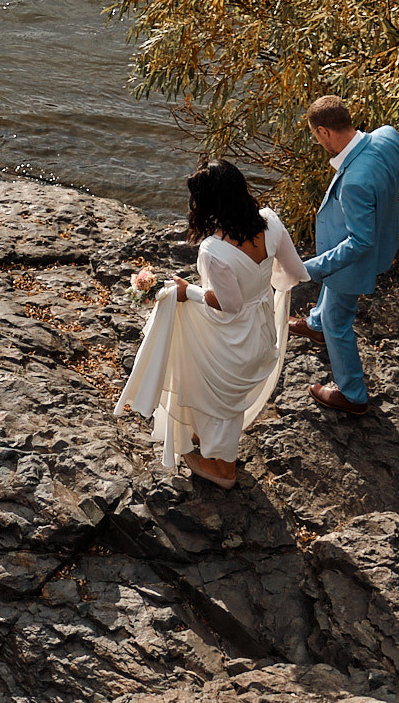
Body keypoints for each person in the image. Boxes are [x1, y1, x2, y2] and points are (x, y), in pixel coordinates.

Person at [115, 161, 309, 487]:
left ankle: (224, 470)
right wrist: (260, 288)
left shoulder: (213, 249)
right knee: (213, 381)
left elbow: (229, 306)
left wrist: (186, 290)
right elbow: (292, 272)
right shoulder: (271, 222)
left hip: (234, 337)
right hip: (261, 328)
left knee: (215, 390)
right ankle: (203, 437)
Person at [294, 95, 399, 415]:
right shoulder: (387, 135)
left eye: (316, 137)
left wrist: (311, 268)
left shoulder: (355, 181)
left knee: (338, 318)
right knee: (328, 310)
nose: (318, 143)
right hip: (385, 235)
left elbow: (359, 242)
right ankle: (315, 324)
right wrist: (382, 208)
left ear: (324, 132)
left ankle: (353, 393)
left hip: (355, 258)